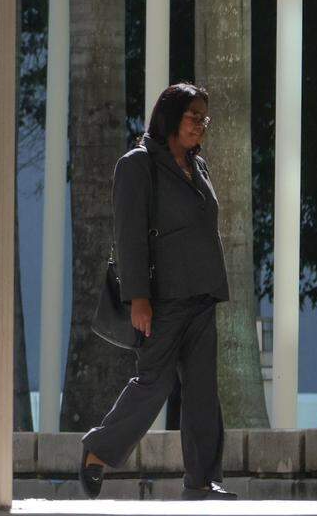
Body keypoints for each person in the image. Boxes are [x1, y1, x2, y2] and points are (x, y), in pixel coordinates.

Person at [79, 82, 239, 501]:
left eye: (204, 118)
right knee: (154, 383)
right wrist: (139, 298)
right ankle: (98, 448)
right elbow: (129, 236)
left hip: (202, 293)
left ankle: (202, 480)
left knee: (203, 392)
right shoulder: (138, 164)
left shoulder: (198, 166)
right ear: (170, 117)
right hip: (162, 298)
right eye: (193, 117)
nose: (200, 125)